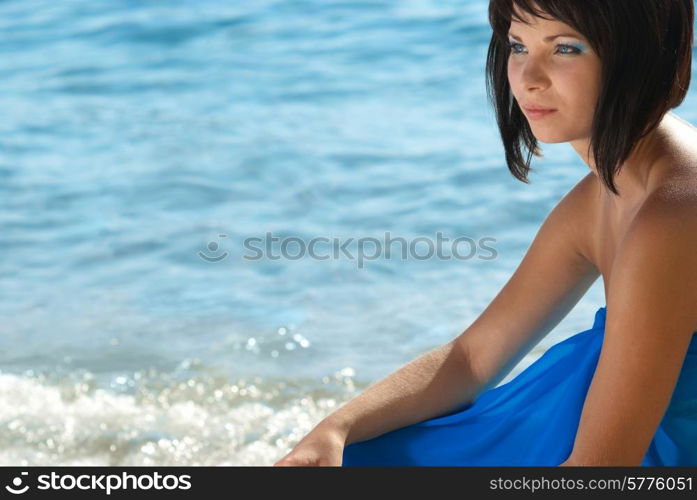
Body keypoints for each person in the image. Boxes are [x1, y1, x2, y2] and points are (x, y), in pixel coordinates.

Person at [273, 0, 697, 466]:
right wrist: (334, 430)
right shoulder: (602, 199)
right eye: (518, 45)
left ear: (640, 56)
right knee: (359, 452)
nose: (529, 76)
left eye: (566, 48)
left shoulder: (673, 215)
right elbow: (472, 359)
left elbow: (600, 470)